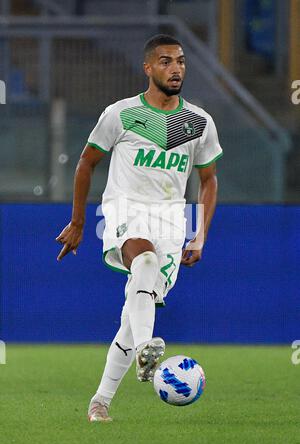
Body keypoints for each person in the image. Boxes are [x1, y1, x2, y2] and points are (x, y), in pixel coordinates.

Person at [56, 34, 223, 422]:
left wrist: (200, 234)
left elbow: (209, 179)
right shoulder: (121, 114)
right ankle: (150, 351)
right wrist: (79, 221)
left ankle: (100, 402)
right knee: (144, 262)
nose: (176, 68)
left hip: (170, 221)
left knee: (133, 314)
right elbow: (86, 163)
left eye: (180, 61)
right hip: (124, 211)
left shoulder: (198, 122)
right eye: (165, 61)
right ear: (147, 67)